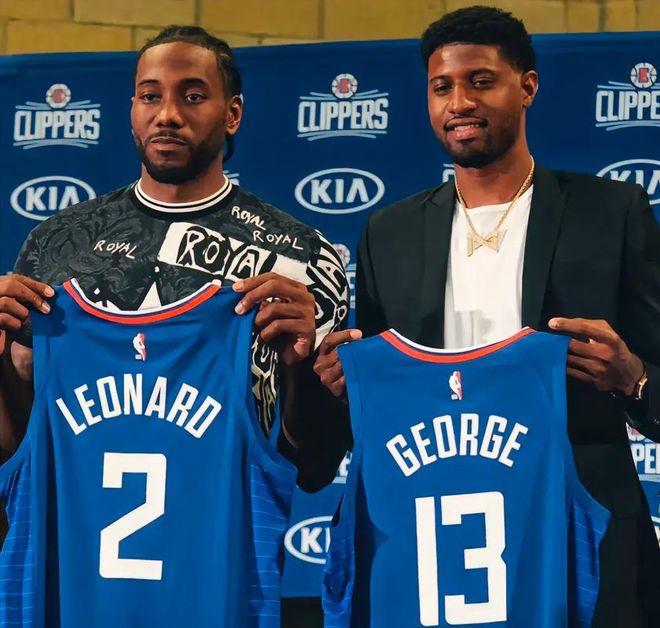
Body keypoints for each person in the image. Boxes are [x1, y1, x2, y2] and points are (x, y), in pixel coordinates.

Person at [315, 6, 660, 627]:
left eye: (480, 81)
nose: (459, 103)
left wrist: (633, 379)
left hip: (577, 523)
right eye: (441, 87)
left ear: (527, 86)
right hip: (433, 527)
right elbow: (379, 398)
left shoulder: (611, 213)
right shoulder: (389, 232)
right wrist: (337, 390)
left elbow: (653, 384)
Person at [0, 24, 349, 623]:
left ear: (232, 114)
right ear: (131, 110)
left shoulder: (300, 259)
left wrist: (300, 371)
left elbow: (315, 469)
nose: (167, 114)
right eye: (149, 95)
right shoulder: (56, 245)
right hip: (74, 580)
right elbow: (16, 447)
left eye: (192, 95)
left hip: (215, 577)